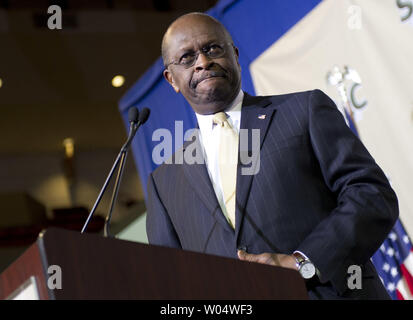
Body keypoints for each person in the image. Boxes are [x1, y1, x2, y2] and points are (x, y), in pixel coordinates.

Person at [146, 12, 399, 299]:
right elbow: (170, 277)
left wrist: (305, 262)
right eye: (187, 58)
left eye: (213, 48)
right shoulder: (164, 182)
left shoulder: (303, 110)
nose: (203, 62)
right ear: (171, 79)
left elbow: (372, 194)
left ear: (235, 55)